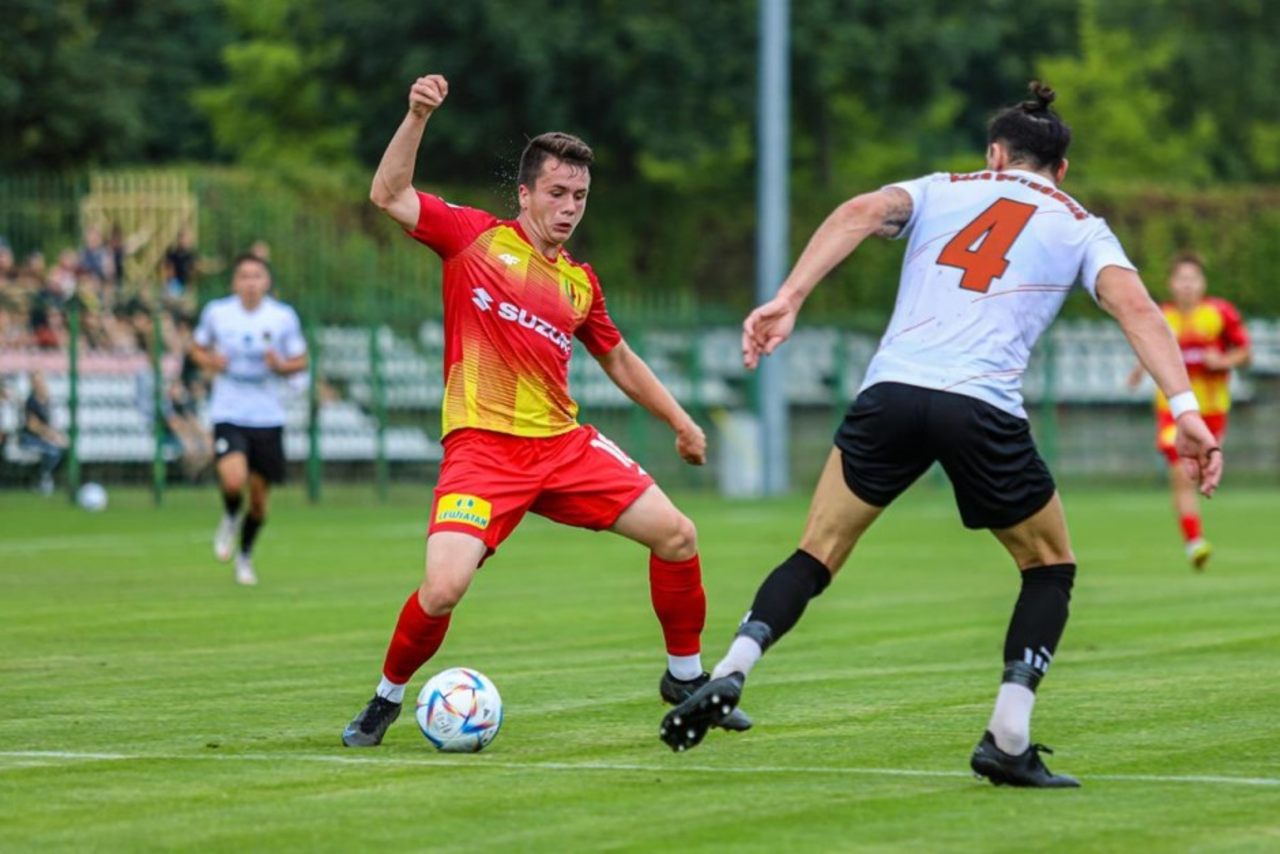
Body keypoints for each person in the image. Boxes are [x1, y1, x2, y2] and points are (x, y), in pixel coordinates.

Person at [659, 82, 1224, 789]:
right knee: (1049, 567)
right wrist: (1185, 407)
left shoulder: (939, 189)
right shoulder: (1081, 224)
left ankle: (734, 666)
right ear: (1061, 169)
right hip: (980, 407)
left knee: (816, 551)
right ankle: (1007, 737)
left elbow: (859, 212)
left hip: (891, 393)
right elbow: (1136, 307)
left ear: (995, 156)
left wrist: (789, 297)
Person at [341, 73, 751, 747]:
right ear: (525, 193)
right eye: (556, 193)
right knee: (442, 589)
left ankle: (684, 679)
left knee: (678, 535)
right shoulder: (474, 239)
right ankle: (385, 699)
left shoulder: (579, 282)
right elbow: (388, 194)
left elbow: (619, 359)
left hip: (562, 448)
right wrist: (416, 116)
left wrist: (681, 422)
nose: (569, 208)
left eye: (579, 196)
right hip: (482, 450)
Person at [190, 254, 308, 585]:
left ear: (266, 282)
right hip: (228, 410)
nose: (251, 282)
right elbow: (196, 349)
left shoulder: (282, 317)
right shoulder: (217, 313)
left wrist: (281, 365)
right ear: (235, 282)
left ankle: (244, 556)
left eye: (257, 276)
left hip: (267, 415)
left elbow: (301, 361)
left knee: (258, 503)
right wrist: (211, 361)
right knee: (232, 480)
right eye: (244, 276)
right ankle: (230, 515)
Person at [1127, 251, 1250, 570]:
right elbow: (1149, 348)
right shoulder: (1161, 316)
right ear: (1171, 284)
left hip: (1212, 409)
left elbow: (1245, 353)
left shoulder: (1220, 314)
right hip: (1173, 411)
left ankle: (1195, 534)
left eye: (1192, 278)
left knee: (1203, 470)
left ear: (1202, 283)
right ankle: (1195, 542)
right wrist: (1138, 370)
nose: (1187, 285)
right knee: (1181, 473)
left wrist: (1222, 361)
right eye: (1181, 279)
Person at [18, 370, 69, 496]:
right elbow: (33, 425)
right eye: (36, 381)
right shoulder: (31, 401)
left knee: (64, 449)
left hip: (42, 438)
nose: (40, 383)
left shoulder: (47, 400)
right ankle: (43, 478)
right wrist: (53, 436)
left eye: (41, 380)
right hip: (29, 439)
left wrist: (57, 435)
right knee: (53, 452)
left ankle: (52, 478)